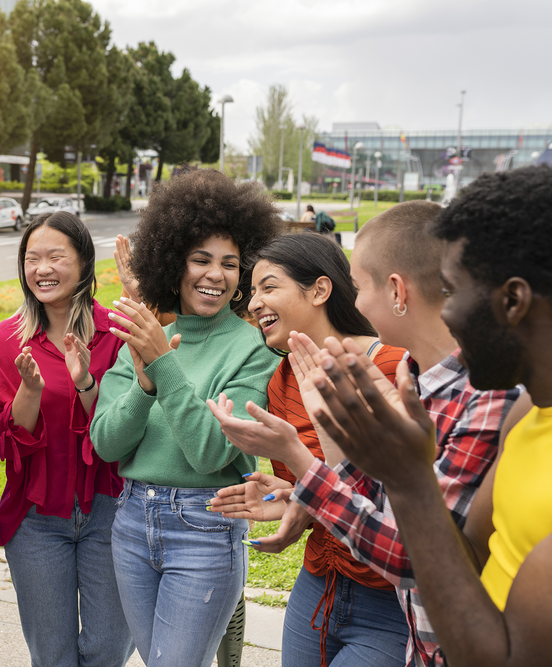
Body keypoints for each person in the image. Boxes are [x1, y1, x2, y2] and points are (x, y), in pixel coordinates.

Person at [210, 202, 522, 666]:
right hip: (332, 591)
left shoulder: (468, 392)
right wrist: (298, 494)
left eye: (358, 287)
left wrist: (300, 463)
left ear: (395, 290)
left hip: (397, 610)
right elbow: (366, 489)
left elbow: (411, 552)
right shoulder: (408, 377)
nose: (352, 302)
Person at [308, 167, 552, 667]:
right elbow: (465, 558)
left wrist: (411, 480)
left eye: (453, 289)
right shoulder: (527, 412)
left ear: (513, 301)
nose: (448, 312)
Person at [90, 169, 281, 667]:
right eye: (200, 259)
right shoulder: (145, 331)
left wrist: (161, 365)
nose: (215, 274)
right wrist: (145, 386)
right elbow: (106, 445)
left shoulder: (254, 348)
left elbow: (212, 452)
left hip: (205, 527)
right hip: (131, 522)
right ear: (174, 261)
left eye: (231, 264)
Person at [212, 232, 409, 667]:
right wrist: (290, 503)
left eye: (269, 287)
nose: (254, 304)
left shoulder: (396, 368)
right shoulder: (282, 380)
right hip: (318, 583)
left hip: (391, 601)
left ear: (319, 289)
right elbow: (314, 488)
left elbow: (407, 495)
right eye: (253, 292)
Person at [0, 211, 133, 667]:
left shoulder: (117, 332)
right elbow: (8, 438)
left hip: (110, 508)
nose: (41, 269)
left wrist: (86, 383)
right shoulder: (6, 341)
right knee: (52, 655)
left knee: (108, 649)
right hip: (37, 517)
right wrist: (31, 390)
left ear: (84, 263)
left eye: (55, 257)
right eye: (31, 259)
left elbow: (121, 429)